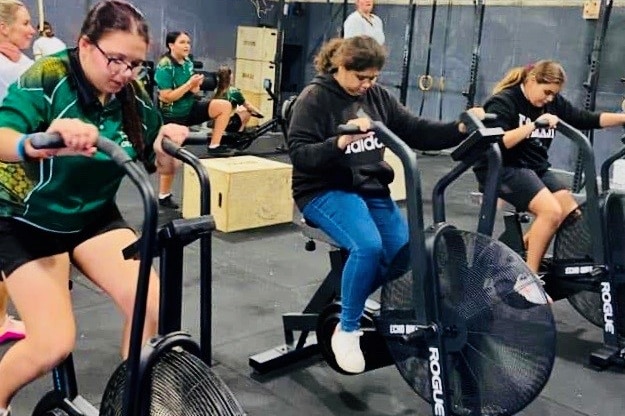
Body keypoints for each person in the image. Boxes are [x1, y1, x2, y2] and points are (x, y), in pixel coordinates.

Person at [0, 1, 188, 414]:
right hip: (27, 221)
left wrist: (167, 139)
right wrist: (39, 141)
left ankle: (133, 401)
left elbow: (152, 151)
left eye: (135, 64)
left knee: (153, 306)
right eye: (115, 59)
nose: (125, 73)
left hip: (94, 219)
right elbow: (3, 134)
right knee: (52, 343)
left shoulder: (132, 95)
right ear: (85, 45)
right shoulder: (49, 76)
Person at [287, 35, 484, 374]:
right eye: (360, 77)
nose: (367, 85)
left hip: (369, 187)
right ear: (340, 66)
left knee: (405, 253)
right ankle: (346, 329)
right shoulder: (314, 98)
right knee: (367, 247)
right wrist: (340, 142)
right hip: (322, 188)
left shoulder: (378, 97)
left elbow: (418, 131)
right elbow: (301, 155)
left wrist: (460, 127)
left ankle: (352, 296)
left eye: (373, 78)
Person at [474, 60, 625, 282]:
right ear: (532, 80)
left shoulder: (550, 104)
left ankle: (514, 255)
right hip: (502, 167)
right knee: (550, 212)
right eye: (547, 92)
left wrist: (622, 118)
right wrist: (534, 125)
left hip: (534, 168)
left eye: (554, 94)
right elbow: (499, 142)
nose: (550, 99)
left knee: (570, 213)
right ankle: (528, 279)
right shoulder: (504, 101)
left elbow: (585, 118)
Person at [153, 31, 232, 209]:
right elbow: (166, 97)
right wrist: (189, 85)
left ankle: (214, 146)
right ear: (171, 45)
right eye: (182, 42)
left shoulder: (188, 63)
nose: (187, 45)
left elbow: (194, 93)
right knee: (171, 159)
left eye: (188, 42)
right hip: (171, 116)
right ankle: (164, 196)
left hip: (189, 109)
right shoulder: (165, 67)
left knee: (223, 106)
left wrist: (195, 86)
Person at [0, 0, 36, 347]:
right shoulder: (14, 69)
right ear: (3, 29)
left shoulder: (23, 64)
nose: (32, 28)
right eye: (24, 23)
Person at [214, 65, 263, 133]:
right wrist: (259, 113)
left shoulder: (216, 90)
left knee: (240, 109)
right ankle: (240, 132)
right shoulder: (233, 91)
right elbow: (248, 105)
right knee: (247, 111)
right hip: (229, 124)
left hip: (217, 122)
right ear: (229, 77)